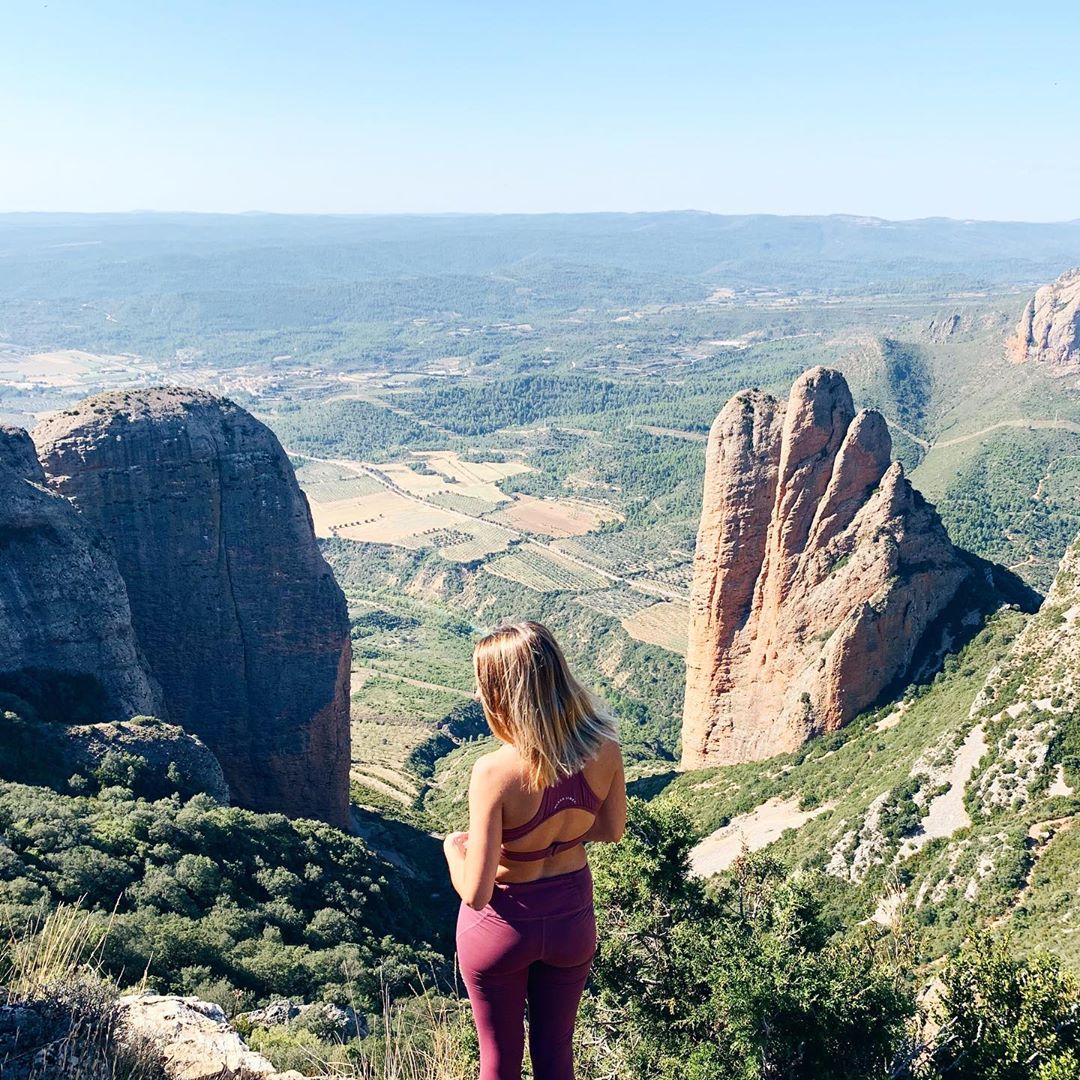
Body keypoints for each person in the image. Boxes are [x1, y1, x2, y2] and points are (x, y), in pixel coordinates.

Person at [443, 620, 626, 1080]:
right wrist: (559, 835)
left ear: (501, 695)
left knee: (500, 1060)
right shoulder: (605, 747)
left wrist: (453, 851)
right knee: (555, 1053)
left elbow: (477, 893)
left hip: (502, 928)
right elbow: (612, 830)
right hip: (570, 921)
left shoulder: (494, 773)